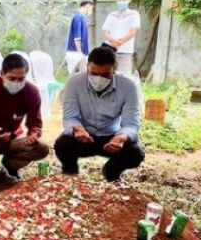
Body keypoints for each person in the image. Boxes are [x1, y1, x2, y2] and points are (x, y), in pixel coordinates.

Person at [54, 46, 144, 182]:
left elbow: (131, 124)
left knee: (136, 153)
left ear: (115, 68)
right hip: (84, 136)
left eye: (106, 75)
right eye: (94, 74)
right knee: (62, 145)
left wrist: (121, 137)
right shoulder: (74, 82)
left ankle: (111, 172)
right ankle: (70, 174)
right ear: (87, 67)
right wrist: (77, 130)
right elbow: (70, 117)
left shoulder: (128, 87)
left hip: (112, 137)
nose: (99, 79)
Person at [0, 53, 49, 180]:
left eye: (21, 79)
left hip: (13, 138)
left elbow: (35, 124)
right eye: (12, 78)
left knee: (42, 148)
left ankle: (10, 165)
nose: (17, 83)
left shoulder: (32, 92)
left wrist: (32, 136)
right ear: (2, 73)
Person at [101, 0, 141, 76]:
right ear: (116, 1)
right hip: (109, 51)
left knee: (124, 77)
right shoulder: (111, 15)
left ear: (129, 0)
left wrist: (120, 42)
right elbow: (106, 32)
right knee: (107, 76)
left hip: (125, 51)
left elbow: (133, 31)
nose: (121, 2)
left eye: (124, 0)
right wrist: (113, 41)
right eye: (119, 0)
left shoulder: (134, 15)